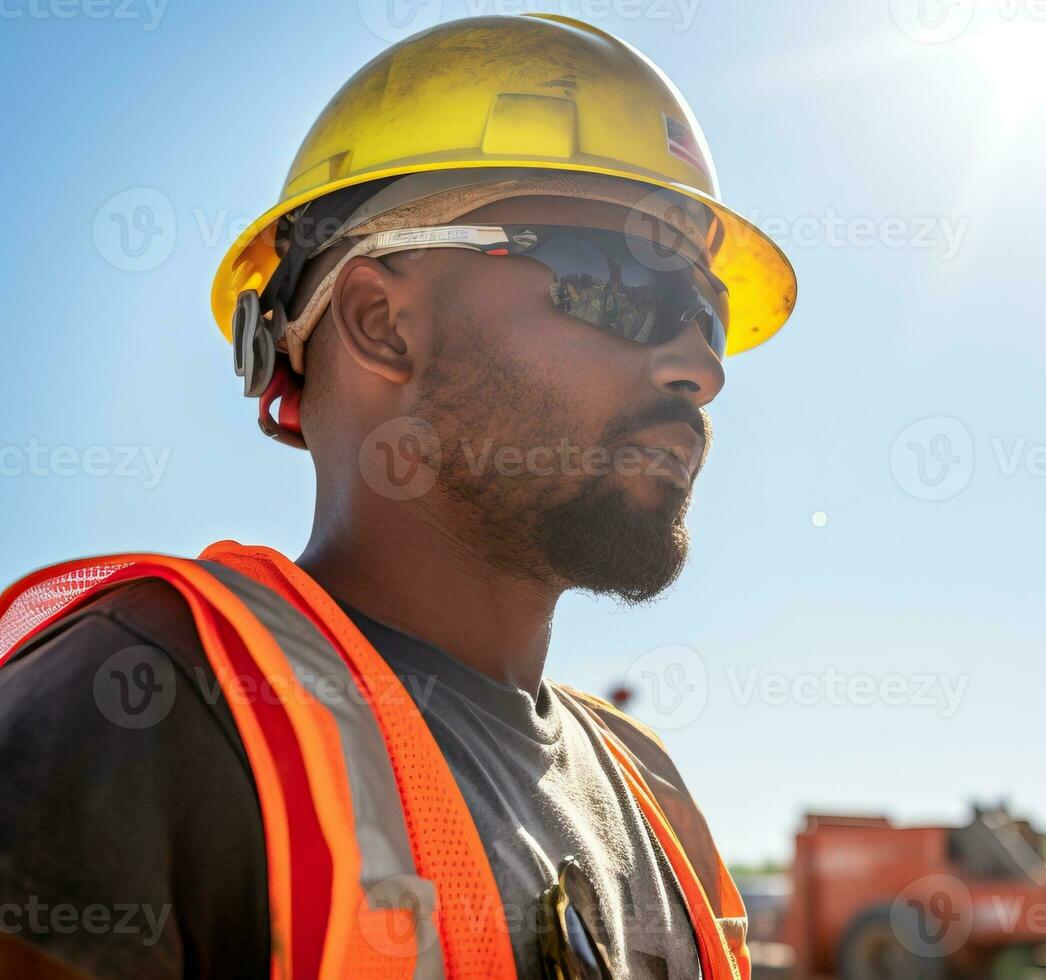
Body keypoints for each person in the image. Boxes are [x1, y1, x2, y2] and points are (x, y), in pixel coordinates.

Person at [0, 13, 796, 979]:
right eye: (619, 281)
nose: (698, 368)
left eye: (704, 314)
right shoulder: (137, 710)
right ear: (381, 323)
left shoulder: (655, 797)